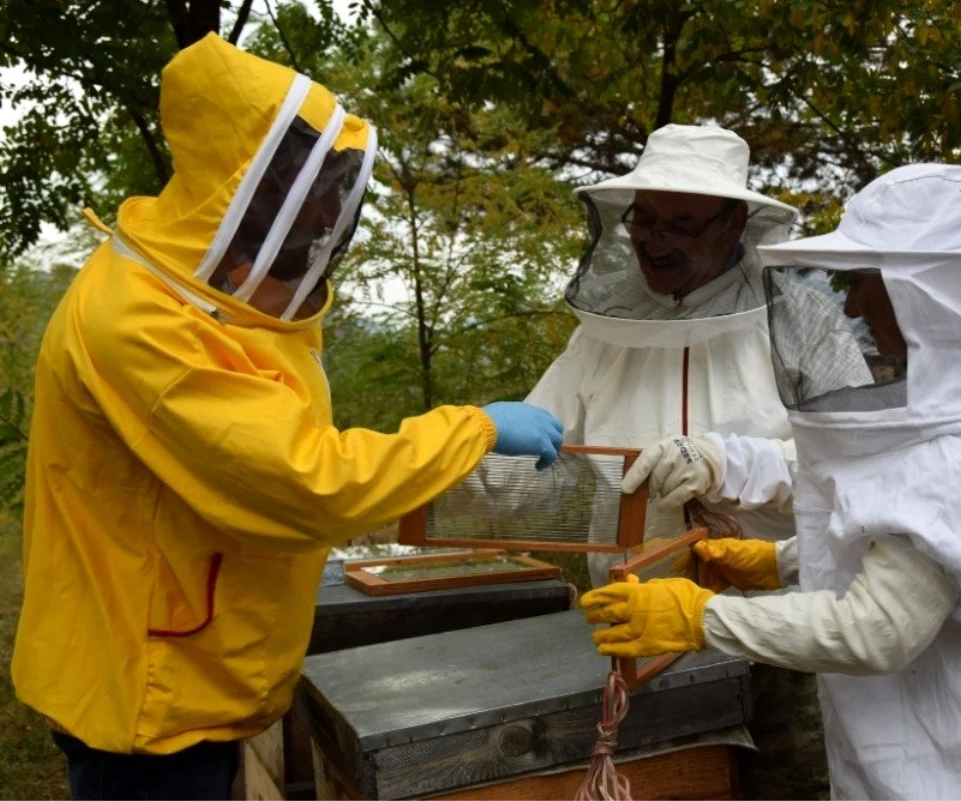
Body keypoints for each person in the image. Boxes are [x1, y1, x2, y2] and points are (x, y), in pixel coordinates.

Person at [10, 34, 562, 801]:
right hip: (143, 698)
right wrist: (471, 428)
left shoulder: (192, 287)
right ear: (253, 185)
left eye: (338, 185)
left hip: (189, 675)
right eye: (314, 185)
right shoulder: (138, 324)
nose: (332, 209)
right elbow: (304, 478)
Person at [582, 164, 961, 800]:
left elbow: (878, 628)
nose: (852, 304)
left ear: (925, 295)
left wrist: (701, 617)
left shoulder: (959, 455)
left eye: (862, 283)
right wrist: (784, 561)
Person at [524, 123, 870, 796]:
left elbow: (861, 471)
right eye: (643, 221)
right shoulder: (603, 336)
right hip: (638, 631)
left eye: (678, 225)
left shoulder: (803, 323)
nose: (654, 241)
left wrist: (733, 463)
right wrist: (450, 462)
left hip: (781, 636)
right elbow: (537, 451)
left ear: (731, 221)